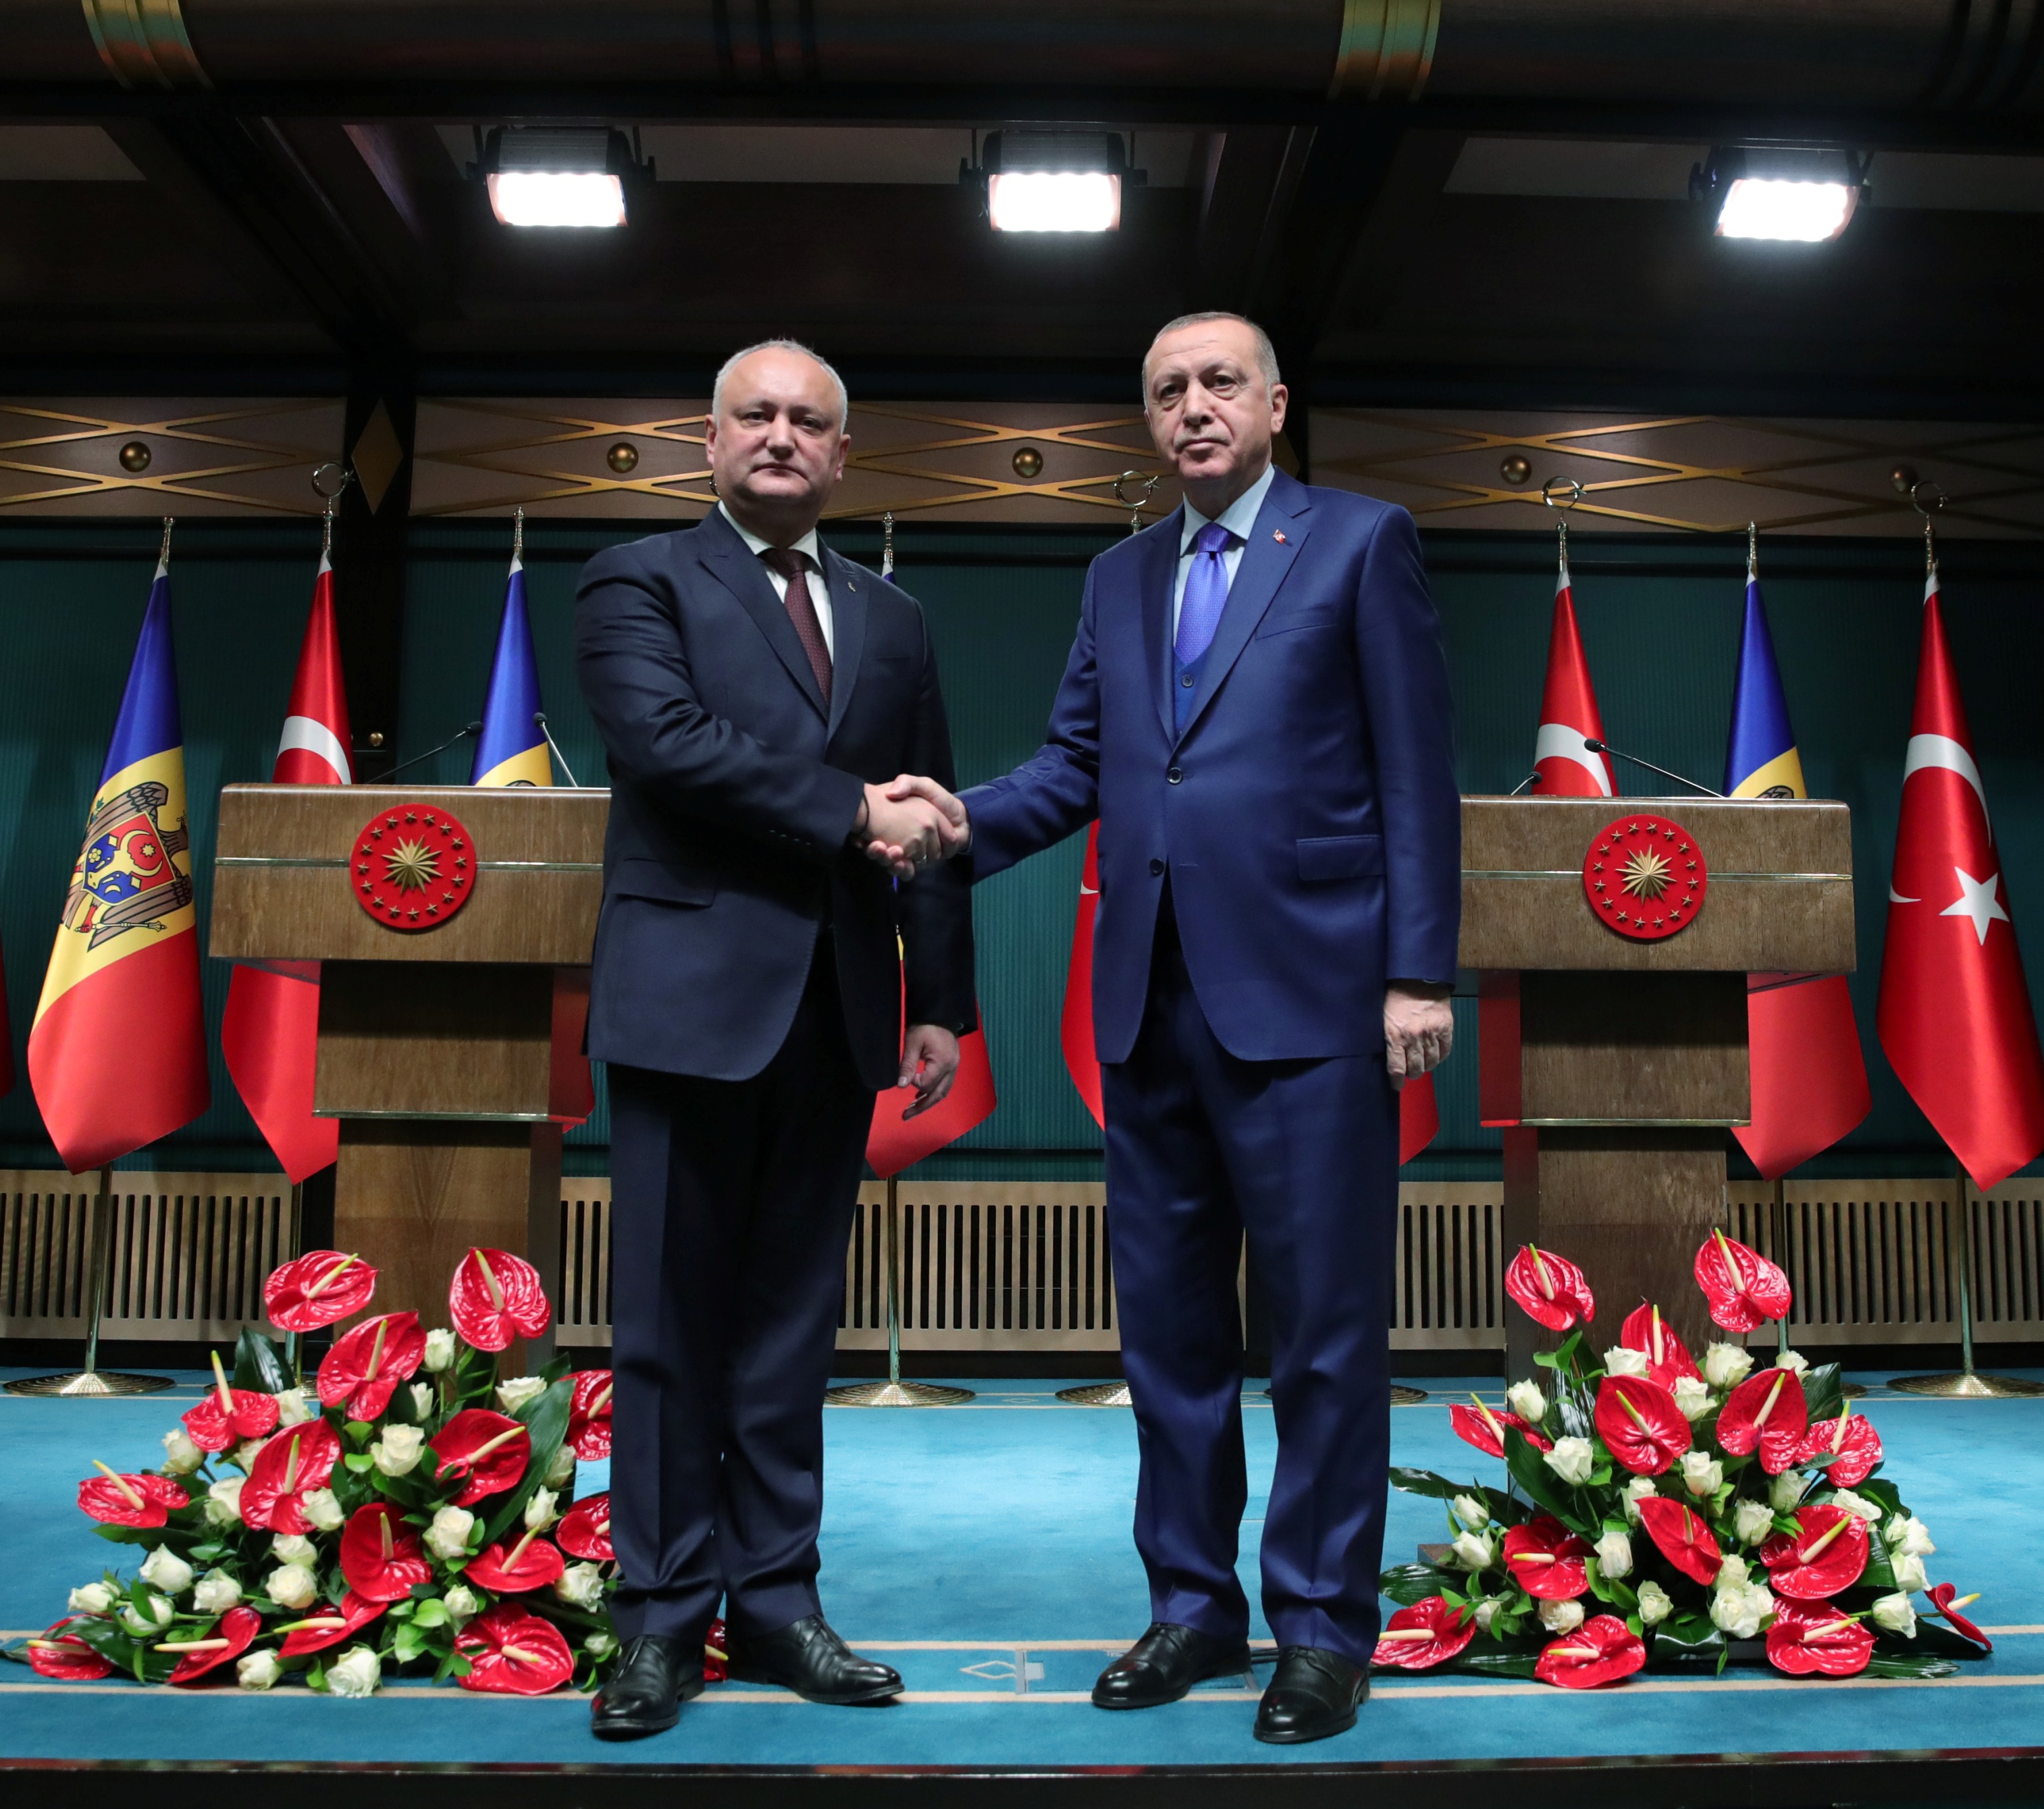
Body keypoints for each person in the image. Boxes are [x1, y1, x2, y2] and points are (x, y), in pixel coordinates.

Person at [926, 311, 1460, 1743]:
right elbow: (1079, 764)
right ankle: (1191, 1608)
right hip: (1146, 1008)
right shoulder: (1116, 574)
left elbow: (1417, 771)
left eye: (1221, 382)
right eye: (1168, 390)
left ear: (1277, 404)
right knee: (1168, 1342)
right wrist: (959, 823)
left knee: (1325, 1339)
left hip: (1315, 1004)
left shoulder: (1362, 542)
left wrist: (1418, 973)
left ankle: (1323, 1628)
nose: (1194, 407)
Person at [573, 338, 975, 1739]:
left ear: (844, 454)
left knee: (793, 1330)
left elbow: (937, 812)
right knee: (670, 1330)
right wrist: (854, 809)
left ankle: (776, 1600)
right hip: (685, 1005)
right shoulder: (637, 578)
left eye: (810, 420)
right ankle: (659, 1617)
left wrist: (941, 999)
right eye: (756, 414)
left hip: (839, 1007)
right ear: (711, 438)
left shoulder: (893, 615)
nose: (782, 436)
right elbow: (666, 740)